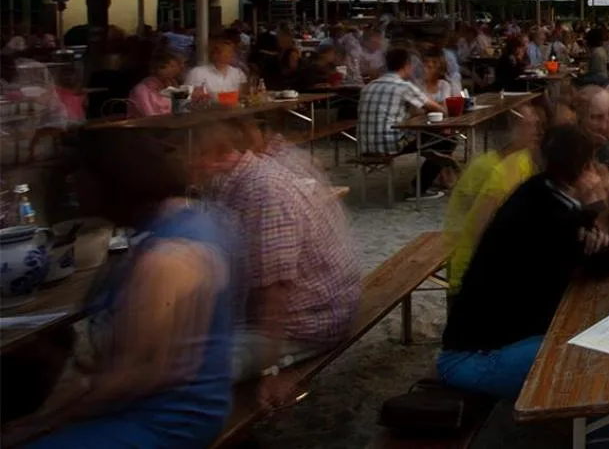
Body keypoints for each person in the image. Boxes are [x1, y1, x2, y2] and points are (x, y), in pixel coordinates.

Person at [0, 136, 235, 448]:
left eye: (79, 182)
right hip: (181, 406)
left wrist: (43, 424)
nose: (74, 194)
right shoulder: (193, 219)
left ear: (110, 184)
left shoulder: (164, 258)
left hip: (164, 422)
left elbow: (134, 378)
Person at [437, 125, 609, 398]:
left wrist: (592, 227)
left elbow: (600, 254)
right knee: (599, 359)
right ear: (586, 169)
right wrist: (598, 207)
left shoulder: (538, 190)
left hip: (491, 343)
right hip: (473, 359)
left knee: (590, 335)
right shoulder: (554, 217)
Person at [193, 121, 361, 398]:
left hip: (308, 323)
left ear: (217, 153)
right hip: (292, 310)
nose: (186, 164)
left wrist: (269, 370)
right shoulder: (231, 179)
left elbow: (276, 291)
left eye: (192, 155)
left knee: (191, 374)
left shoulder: (263, 190)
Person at [444, 102, 546, 293]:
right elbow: (477, 225)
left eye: (537, 124)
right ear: (511, 129)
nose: (537, 131)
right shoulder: (488, 167)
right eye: (529, 125)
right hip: (472, 266)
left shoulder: (523, 158)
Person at [357, 47, 454, 198]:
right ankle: (417, 189)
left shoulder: (368, 87)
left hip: (364, 145)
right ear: (406, 65)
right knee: (447, 141)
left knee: (431, 139)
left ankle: (436, 178)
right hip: (390, 145)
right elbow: (439, 110)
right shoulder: (404, 86)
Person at [183, 37, 248, 99]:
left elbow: (243, 96)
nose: (227, 55)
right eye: (221, 52)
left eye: (230, 52)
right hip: (205, 107)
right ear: (213, 54)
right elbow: (185, 97)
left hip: (233, 106)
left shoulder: (238, 73)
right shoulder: (197, 72)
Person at [129, 51, 184, 117]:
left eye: (174, 66)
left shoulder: (170, 87)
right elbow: (149, 116)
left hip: (168, 122)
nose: (174, 70)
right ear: (155, 69)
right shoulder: (141, 90)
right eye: (171, 66)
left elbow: (180, 112)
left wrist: (177, 91)